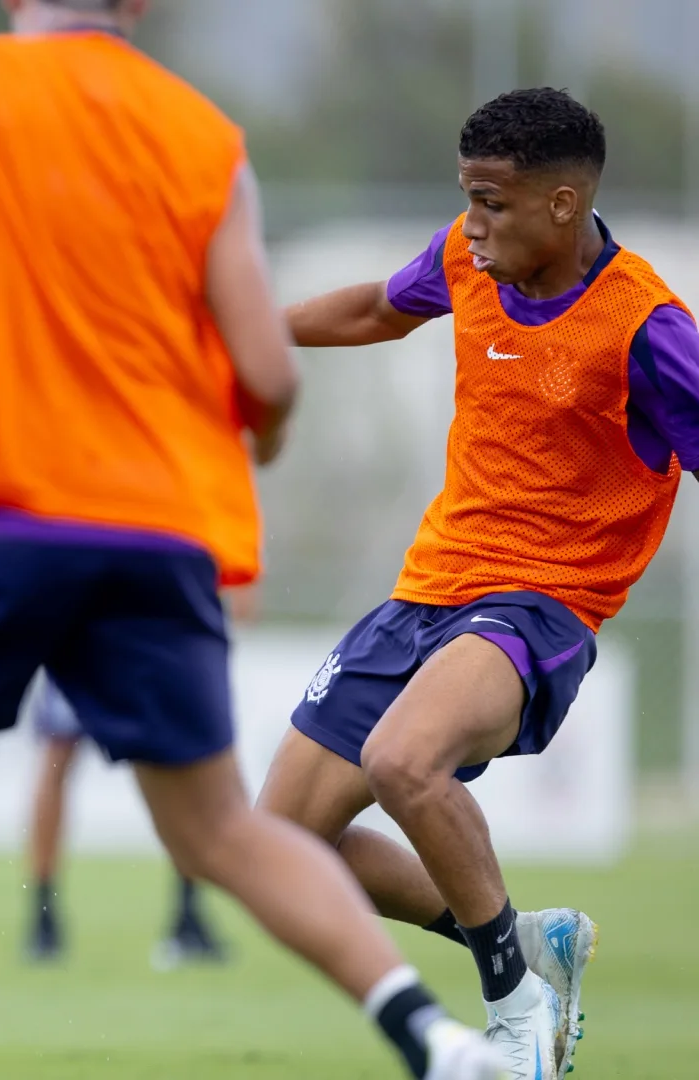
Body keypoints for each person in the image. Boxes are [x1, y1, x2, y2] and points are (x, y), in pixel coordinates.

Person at [0, 2, 505, 1079]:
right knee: (221, 830)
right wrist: (259, 438)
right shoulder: (206, 137)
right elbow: (268, 374)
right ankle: (434, 1036)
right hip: (159, 534)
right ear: (142, 4)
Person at [260, 86, 699, 1080]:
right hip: (425, 591)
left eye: (493, 201)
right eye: (468, 196)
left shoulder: (646, 327)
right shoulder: (470, 258)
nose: (473, 220)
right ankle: (522, 939)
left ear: (562, 203)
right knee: (274, 846)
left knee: (402, 761)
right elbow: (378, 307)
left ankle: (515, 1013)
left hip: (539, 608)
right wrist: (240, 330)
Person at [20, 672, 226, 968]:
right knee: (168, 760)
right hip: (129, 643)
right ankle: (43, 916)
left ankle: (43, 920)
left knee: (168, 761)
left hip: (92, 642)